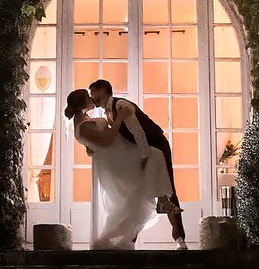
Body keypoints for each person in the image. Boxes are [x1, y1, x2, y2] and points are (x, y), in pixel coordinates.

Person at [64, 89, 177, 250]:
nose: (92, 99)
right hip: (118, 158)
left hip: (120, 152)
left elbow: (90, 146)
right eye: (88, 97)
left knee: (153, 161)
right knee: (155, 156)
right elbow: (107, 140)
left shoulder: (83, 120)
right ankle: (162, 201)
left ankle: (163, 200)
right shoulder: (82, 125)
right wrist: (120, 118)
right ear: (83, 103)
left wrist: (91, 147)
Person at [88, 78, 185, 244]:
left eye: (93, 93)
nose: (91, 97)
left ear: (103, 91)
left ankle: (179, 237)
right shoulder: (107, 112)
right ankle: (130, 239)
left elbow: (138, 133)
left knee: (167, 188)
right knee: (137, 192)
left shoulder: (120, 106)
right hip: (141, 151)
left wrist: (144, 158)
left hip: (156, 146)